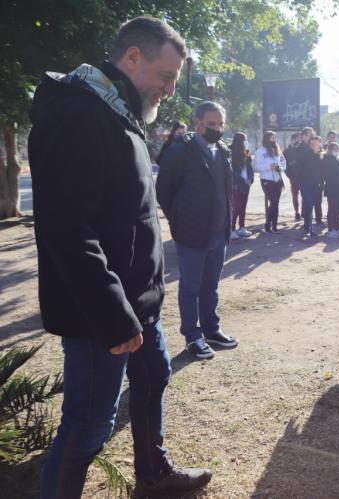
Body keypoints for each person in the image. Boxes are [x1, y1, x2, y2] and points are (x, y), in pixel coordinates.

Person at [28, 16, 212, 498]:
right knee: (89, 426)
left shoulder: (118, 111)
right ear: (132, 57)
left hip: (137, 303)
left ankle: (153, 475)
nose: (170, 90)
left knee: (154, 377)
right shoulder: (80, 114)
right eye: (166, 76)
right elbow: (68, 229)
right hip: (101, 315)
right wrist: (114, 315)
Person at [156, 100, 239, 360]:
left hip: (219, 233)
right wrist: (179, 221)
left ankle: (212, 330)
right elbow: (164, 192)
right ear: (198, 123)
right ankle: (192, 336)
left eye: (220, 124)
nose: (217, 128)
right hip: (192, 235)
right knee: (190, 287)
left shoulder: (223, 150)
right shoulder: (180, 152)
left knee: (211, 286)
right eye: (211, 124)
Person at [254, 130, 287, 233]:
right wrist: (269, 167)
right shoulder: (260, 151)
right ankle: (268, 224)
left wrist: (279, 168)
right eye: (272, 138)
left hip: (278, 180)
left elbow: (284, 164)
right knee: (273, 202)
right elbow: (256, 167)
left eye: (275, 138)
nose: (274, 140)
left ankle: (274, 225)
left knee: (276, 202)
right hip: (267, 180)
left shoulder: (278, 150)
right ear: (267, 139)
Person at [296, 128, 324, 237]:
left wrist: (317, 152)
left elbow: (319, 164)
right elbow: (300, 163)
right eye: (307, 135)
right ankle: (308, 228)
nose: (309, 137)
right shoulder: (300, 148)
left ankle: (308, 227)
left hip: (315, 180)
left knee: (310, 204)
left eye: (311, 135)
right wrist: (312, 151)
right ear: (302, 136)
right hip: (304, 180)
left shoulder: (315, 147)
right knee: (308, 203)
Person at [230, 132, 253, 239]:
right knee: (236, 207)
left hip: (246, 184)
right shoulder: (231, 151)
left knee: (243, 207)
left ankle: (242, 227)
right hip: (236, 184)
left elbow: (249, 167)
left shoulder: (246, 151)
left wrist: (250, 179)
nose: (246, 141)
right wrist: (242, 180)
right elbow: (232, 171)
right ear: (240, 140)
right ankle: (231, 229)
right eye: (245, 139)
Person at [322, 142, 339, 238]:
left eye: (337, 149)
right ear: (330, 150)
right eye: (334, 149)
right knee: (332, 209)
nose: (336, 151)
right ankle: (331, 229)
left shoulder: (336, 160)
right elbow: (328, 175)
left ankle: (337, 227)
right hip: (332, 188)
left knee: (337, 209)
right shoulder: (327, 160)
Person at [284, 132, 302, 221]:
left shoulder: (301, 149)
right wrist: (290, 176)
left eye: (299, 139)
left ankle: (304, 212)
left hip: (304, 177)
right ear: (291, 140)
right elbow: (283, 166)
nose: (298, 141)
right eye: (296, 139)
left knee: (305, 196)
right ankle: (296, 212)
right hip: (293, 178)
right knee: (295, 196)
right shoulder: (285, 152)